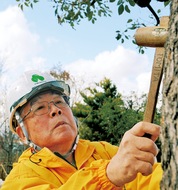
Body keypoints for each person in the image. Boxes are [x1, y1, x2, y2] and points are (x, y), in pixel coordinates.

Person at [1, 70, 163, 190]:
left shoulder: (102, 151)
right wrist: (107, 176)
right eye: (40, 107)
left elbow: (154, 181)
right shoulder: (19, 180)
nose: (56, 110)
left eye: (59, 101)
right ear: (22, 133)